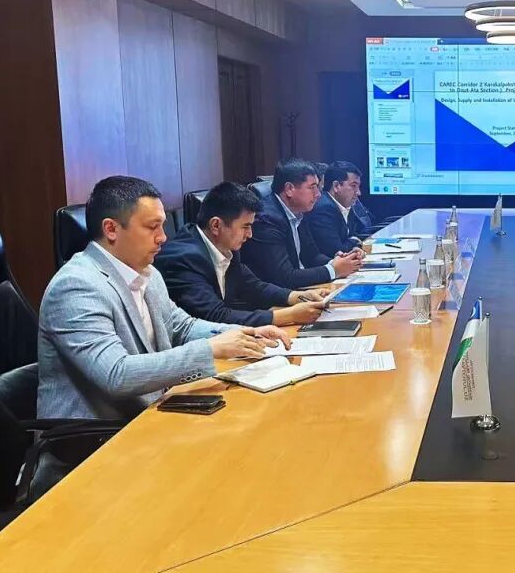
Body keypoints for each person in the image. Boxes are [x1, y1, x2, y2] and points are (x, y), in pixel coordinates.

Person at [37, 176, 290, 420]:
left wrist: (244, 334)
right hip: (95, 437)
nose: (163, 237)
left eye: (162, 225)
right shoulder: (77, 286)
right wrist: (210, 349)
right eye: (152, 227)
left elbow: (182, 327)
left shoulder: (148, 272)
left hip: (151, 412)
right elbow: (116, 374)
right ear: (111, 229)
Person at [154, 182, 329, 327]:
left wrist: (295, 297)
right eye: (245, 226)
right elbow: (214, 316)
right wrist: (289, 315)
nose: (250, 234)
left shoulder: (226, 246)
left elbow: (253, 286)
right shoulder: (183, 259)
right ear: (216, 225)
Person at [241, 158, 362, 289]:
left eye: (318, 187)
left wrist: (338, 261)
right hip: (278, 296)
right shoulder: (266, 220)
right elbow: (284, 277)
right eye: (312, 187)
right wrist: (333, 270)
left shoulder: (298, 211)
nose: (318, 194)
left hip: (301, 289)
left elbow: (312, 256)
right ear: (289, 189)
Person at [308, 161, 364, 257]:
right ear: (336, 186)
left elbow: (352, 236)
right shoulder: (323, 208)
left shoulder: (345, 204)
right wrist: (354, 242)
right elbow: (337, 251)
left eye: (358, 186)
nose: (358, 192)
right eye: (353, 186)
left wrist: (353, 243)